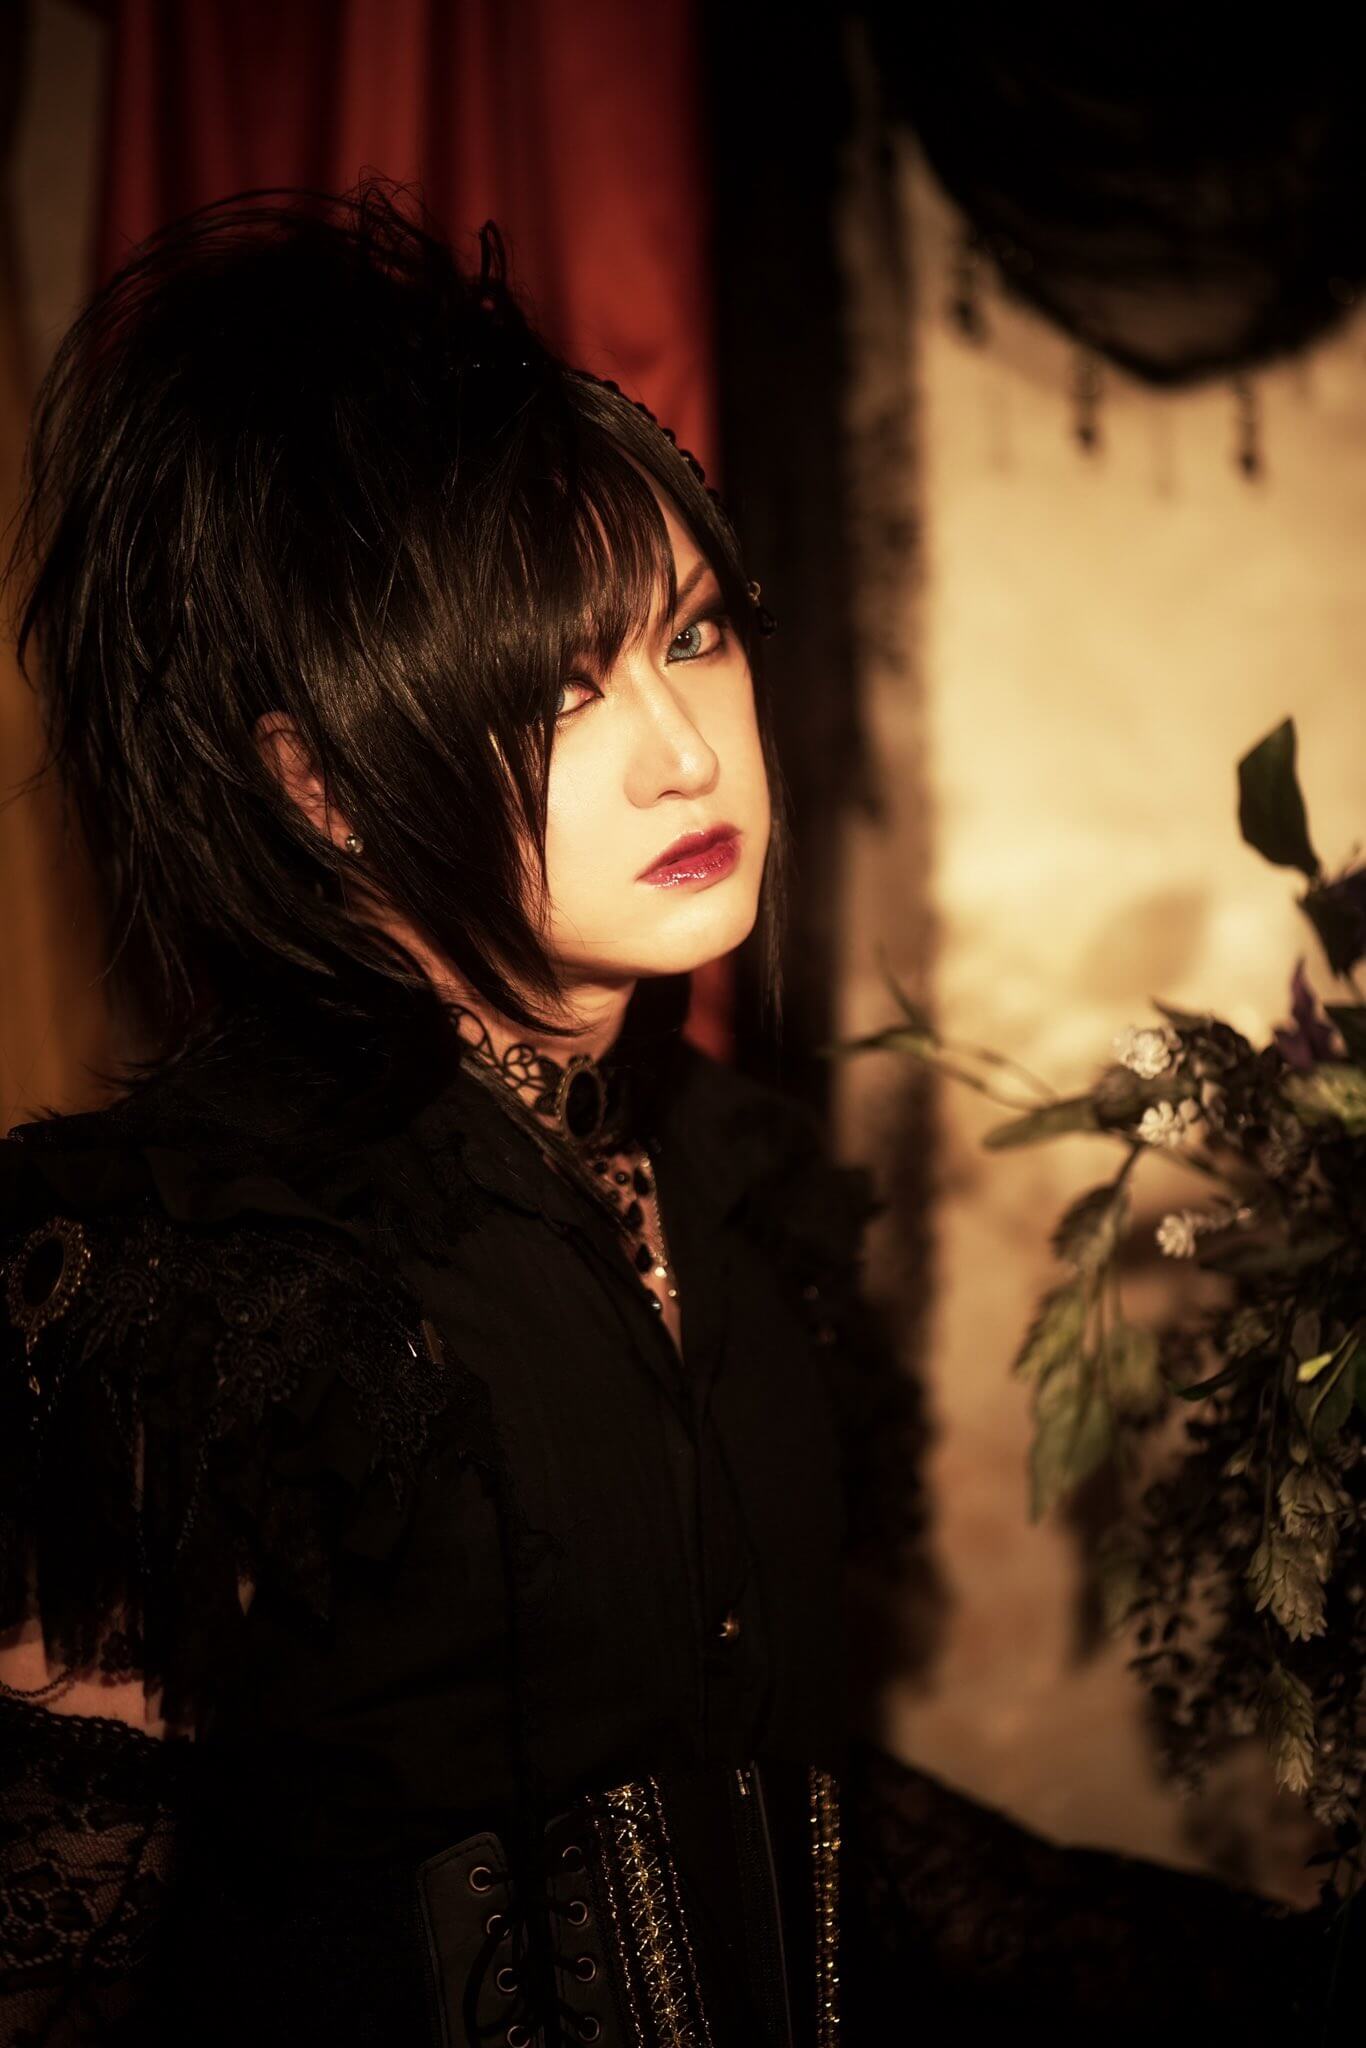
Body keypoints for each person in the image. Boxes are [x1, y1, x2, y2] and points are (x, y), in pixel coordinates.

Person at [0, 184, 1339, 2046]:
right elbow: (51, 1967)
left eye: (691, 638)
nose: (684, 753)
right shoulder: (188, 1282)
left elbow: (797, 1815)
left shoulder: (743, 1189)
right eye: (557, 694)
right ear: (321, 788)